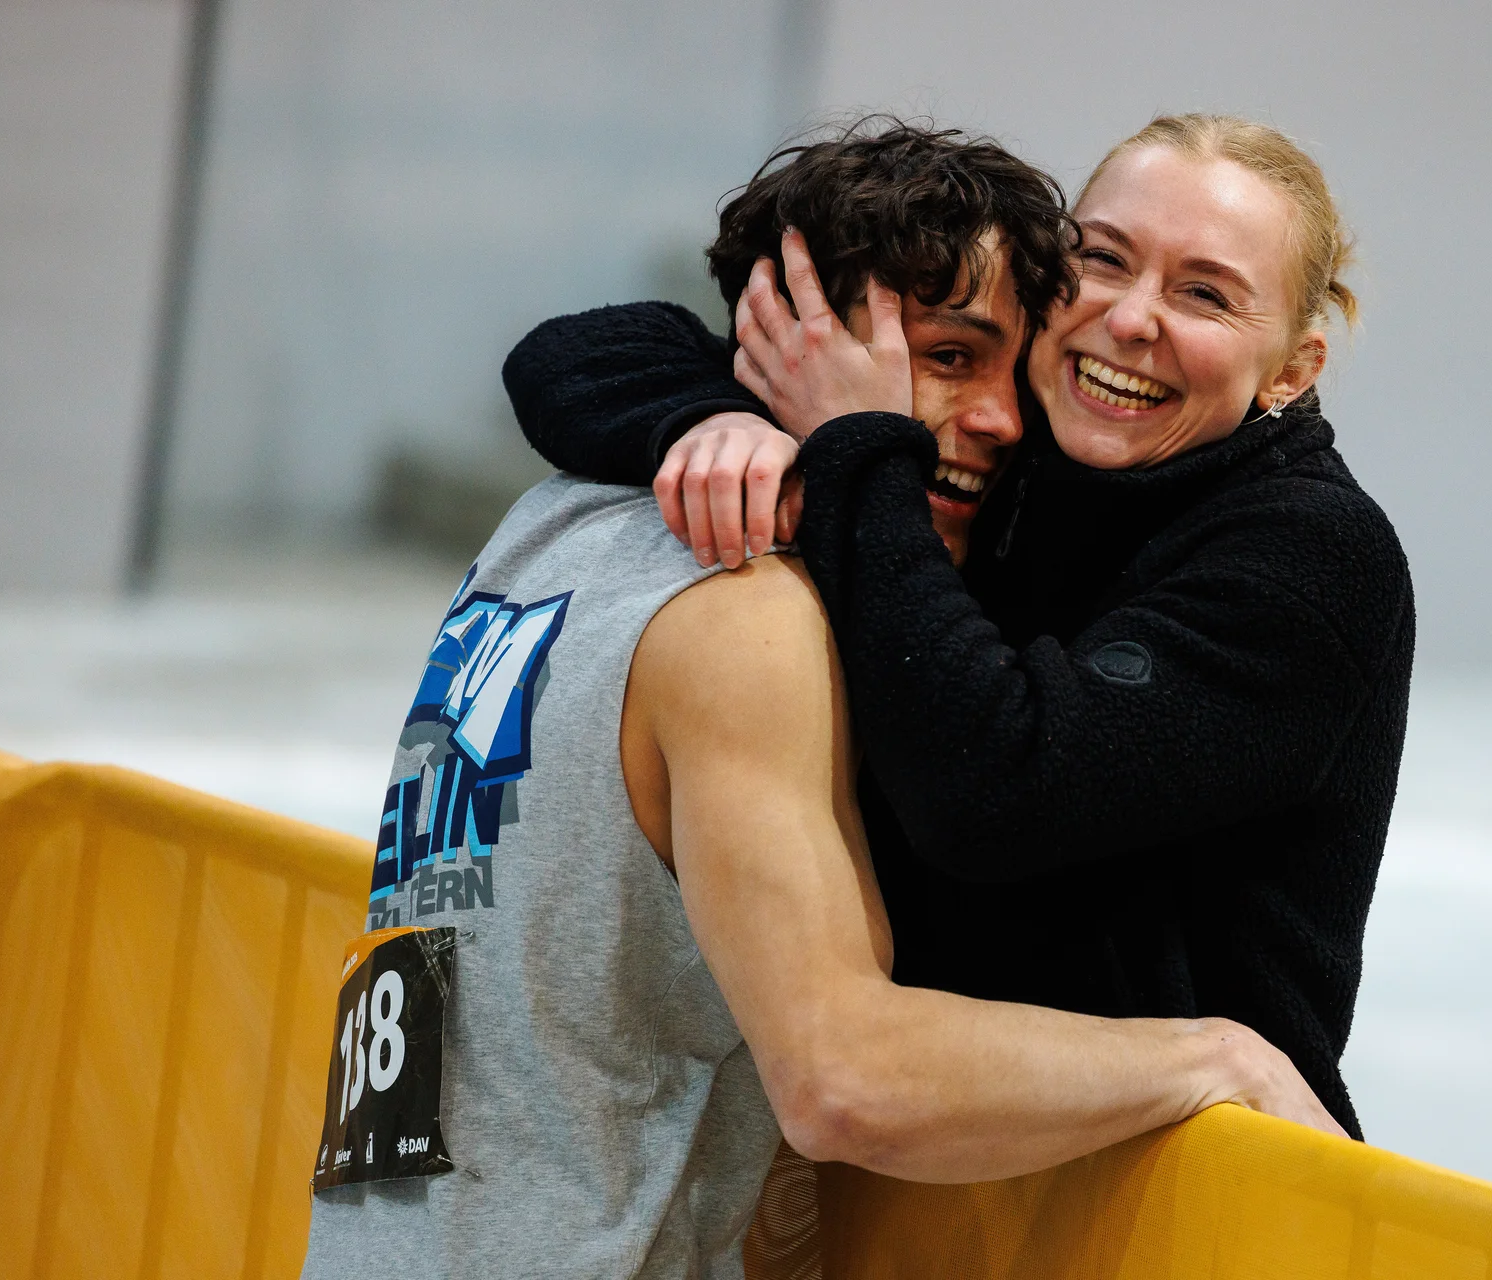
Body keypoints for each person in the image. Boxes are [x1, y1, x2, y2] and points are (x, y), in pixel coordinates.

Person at [304, 121, 1340, 1280]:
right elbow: (843, 1074)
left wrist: (786, 431)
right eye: (945, 358)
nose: (1005, 422)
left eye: (1206, 289)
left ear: (1295, 363)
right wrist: (1213, 1059)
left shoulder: (546, 522)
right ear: (787, 343)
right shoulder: (754, 608)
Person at [503, 114, 1414, 1141]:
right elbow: (576, 353)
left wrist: (854, 444)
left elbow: (998, 787)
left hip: (1185, 1192)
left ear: (1292, 369)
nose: (1130, 318)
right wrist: (724, 416)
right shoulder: (1036, 442)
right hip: (958, 1170)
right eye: (1104, 259)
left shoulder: (1315, 556)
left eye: (1204, 293)